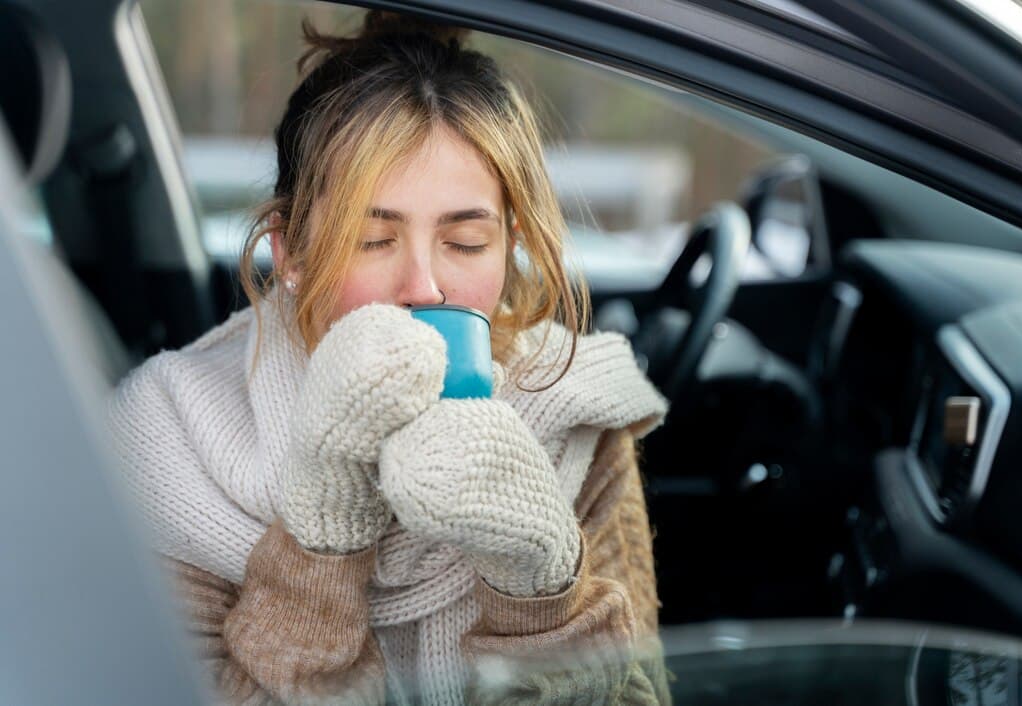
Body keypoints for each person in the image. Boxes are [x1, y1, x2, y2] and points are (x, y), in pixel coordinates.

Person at [107, 10, 671, 705]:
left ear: (510, 244)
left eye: (465, 242)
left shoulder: (579, 411)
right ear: (290, 253)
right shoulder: (172, 439)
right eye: (372, 241)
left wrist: (540, 589)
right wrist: (320, 542)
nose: (424, 286)